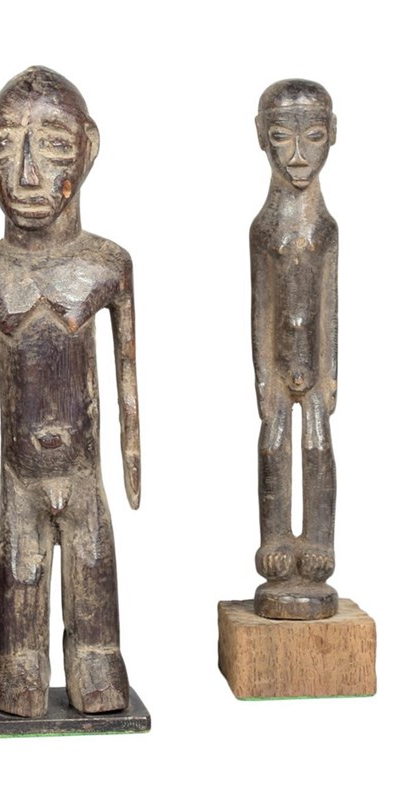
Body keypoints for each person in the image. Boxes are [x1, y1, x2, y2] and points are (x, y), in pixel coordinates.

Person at [0, 66, 140, 716]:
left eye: (54, 145)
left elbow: (127, 378)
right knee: (21, 575)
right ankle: (18, 667)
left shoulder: (105, 266)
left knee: (94, 584)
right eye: (5, 146)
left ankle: (97, 664)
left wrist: (132, 457)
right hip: (20, 481)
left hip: (85, 477)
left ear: (89, 147)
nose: (27, 175)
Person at [251, 79, 338, 619]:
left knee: (318, 445)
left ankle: (320, 542)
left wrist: (330, 373)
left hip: (315, 366)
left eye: (314, 136)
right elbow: (261, 309)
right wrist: (263, 376)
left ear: (334, 135)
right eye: (283, 137)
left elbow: (330, 306)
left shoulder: (325, 228)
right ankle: (276, 539)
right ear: (261, 136)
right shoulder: (264, 229)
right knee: (274, 444)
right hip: (278, 370)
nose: (299, 155)